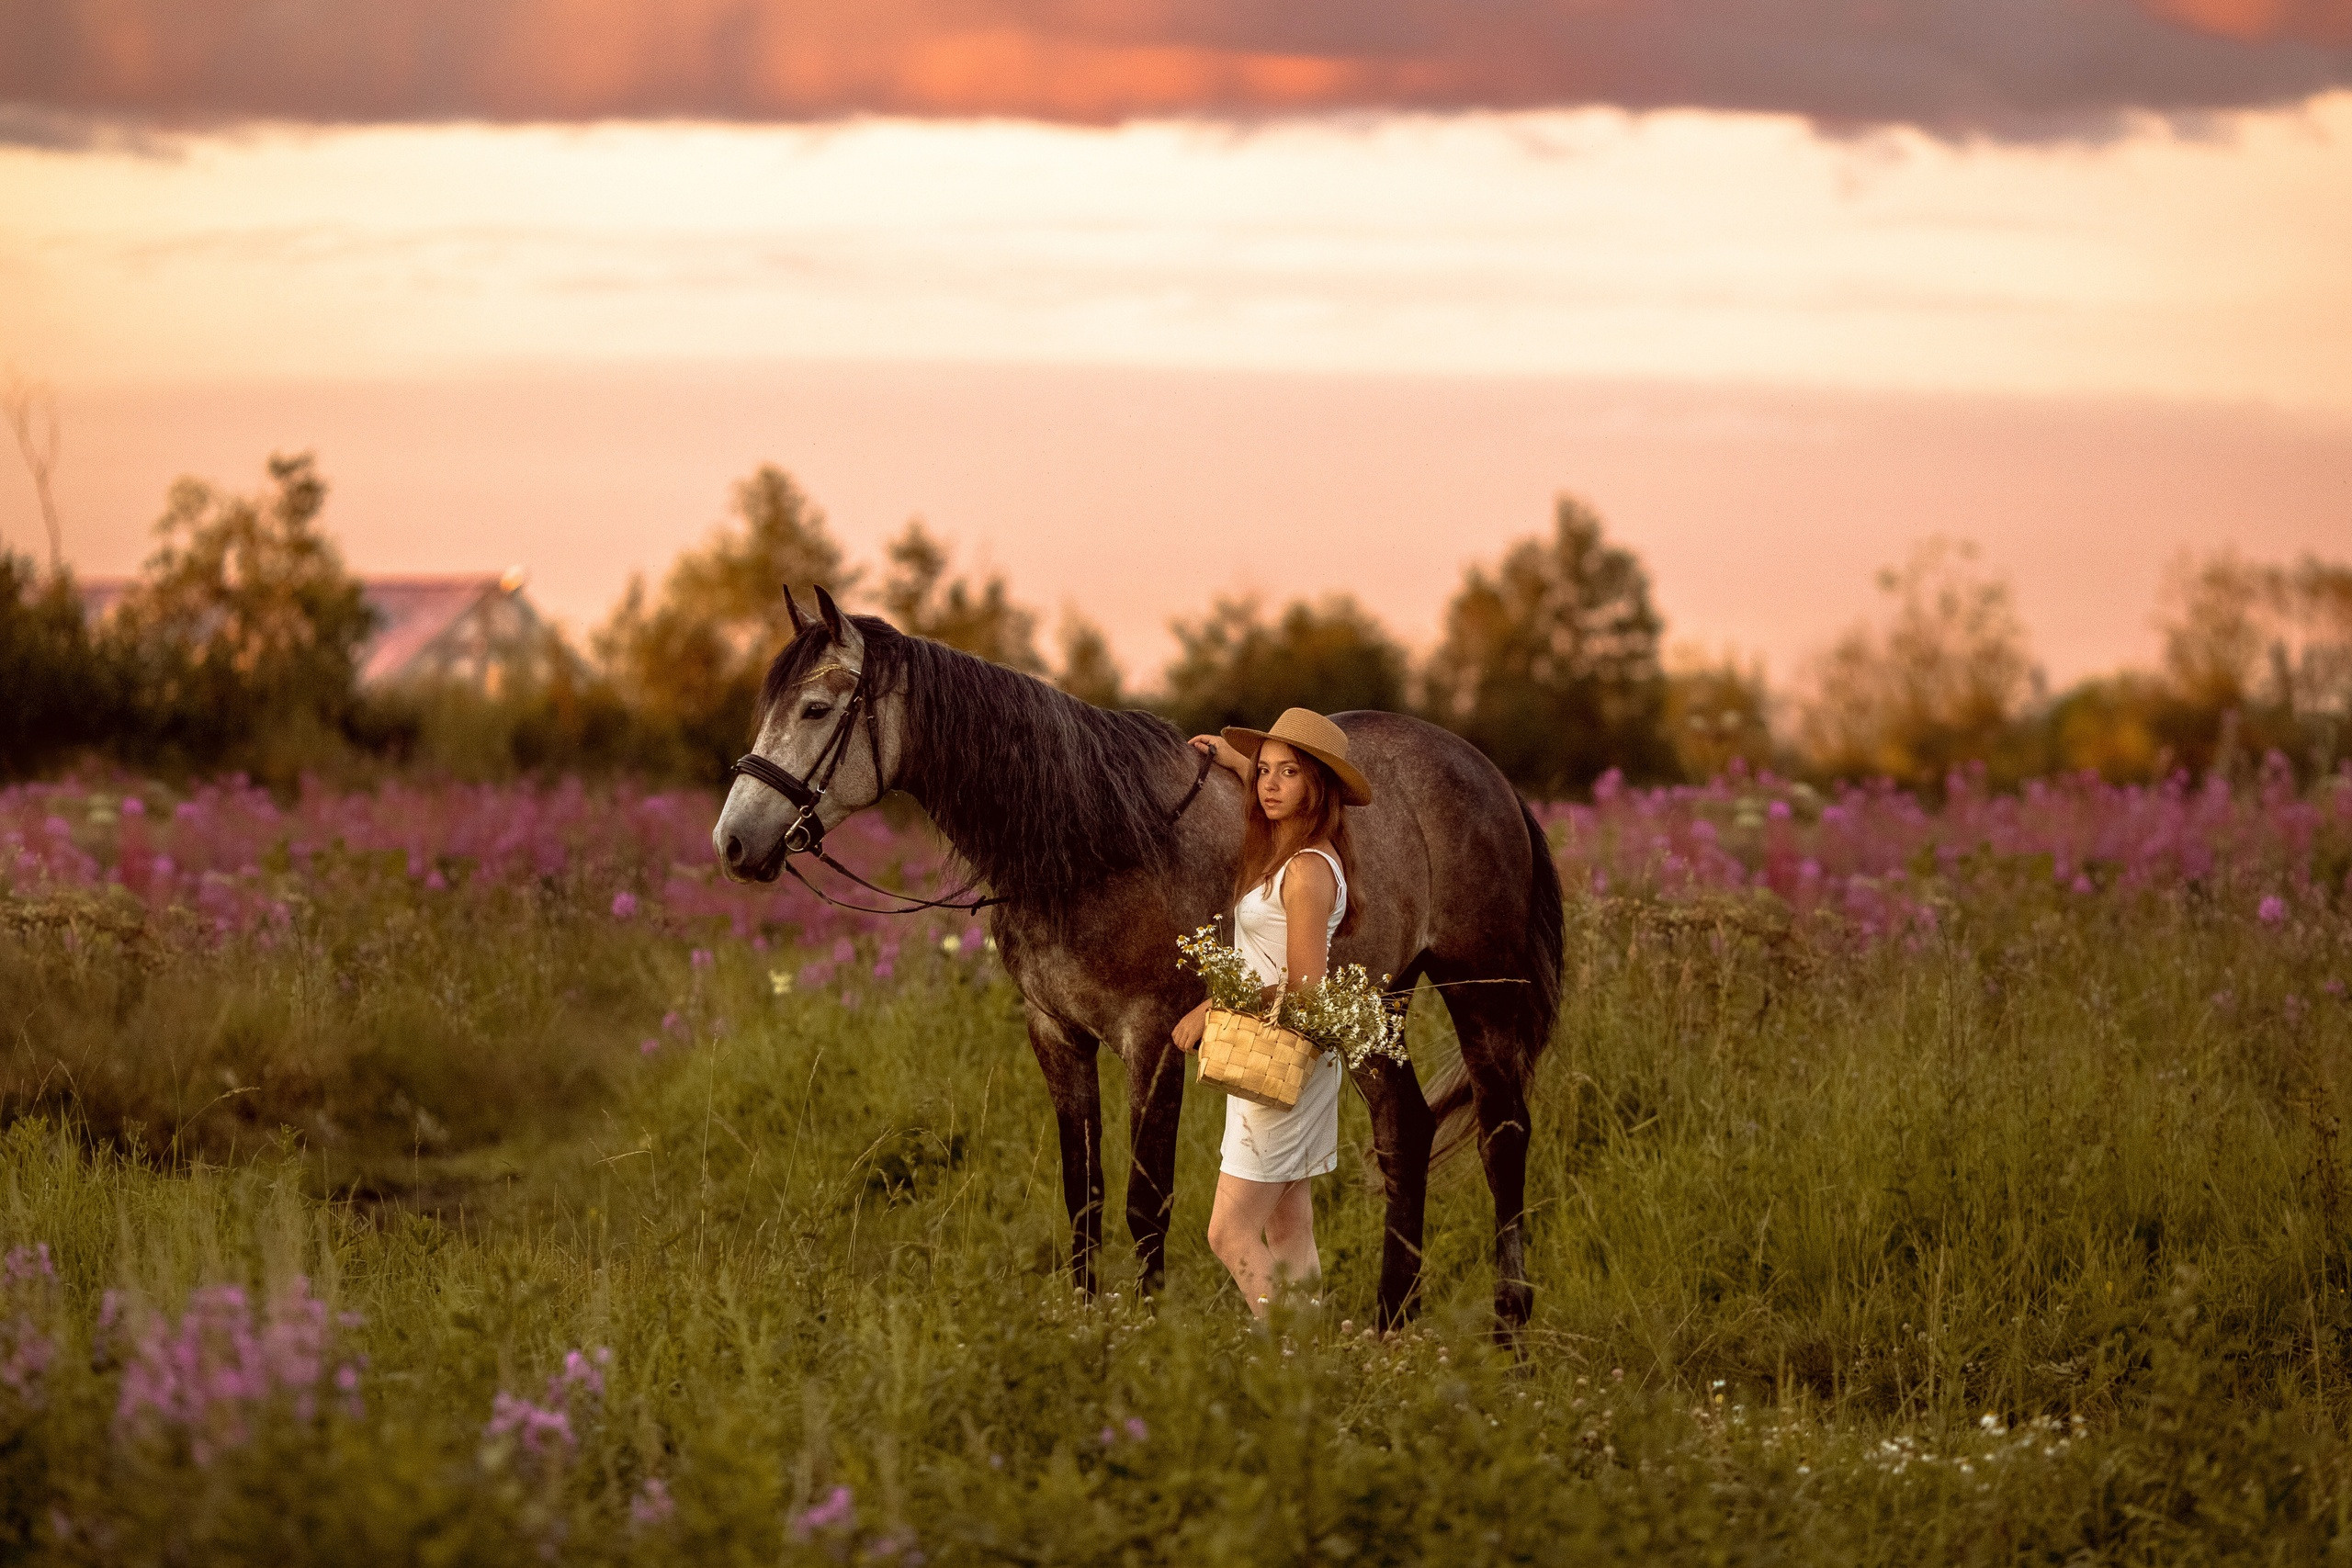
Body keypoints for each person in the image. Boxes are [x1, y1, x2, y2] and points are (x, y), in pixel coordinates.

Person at [1173, 707, 1374, 1318]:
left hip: (1284, 1061)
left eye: (1289, 772)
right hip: (1277, 1058)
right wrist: (1237, 761)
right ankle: (1309, 1371)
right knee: (1289, 1226)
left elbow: (1305, 988)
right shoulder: (1288, 851)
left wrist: (1212, 1006)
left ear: (1319, 785)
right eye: (1264, 771)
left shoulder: (1309, 871)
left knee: (1228, 1232)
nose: (1270, 784)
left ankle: (1289, 1358)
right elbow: (1262, 792)